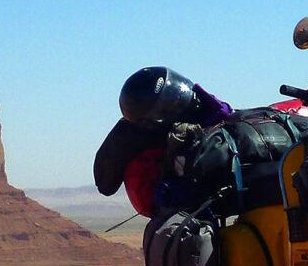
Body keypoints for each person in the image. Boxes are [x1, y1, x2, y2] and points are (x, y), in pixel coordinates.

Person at [92, 67, 234, 216]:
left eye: (175, 93)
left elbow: (225, 113)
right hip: (173, 201)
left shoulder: (198, 104)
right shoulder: (130, 134)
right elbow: (105, 184)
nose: (177, 100)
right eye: (169, 102)